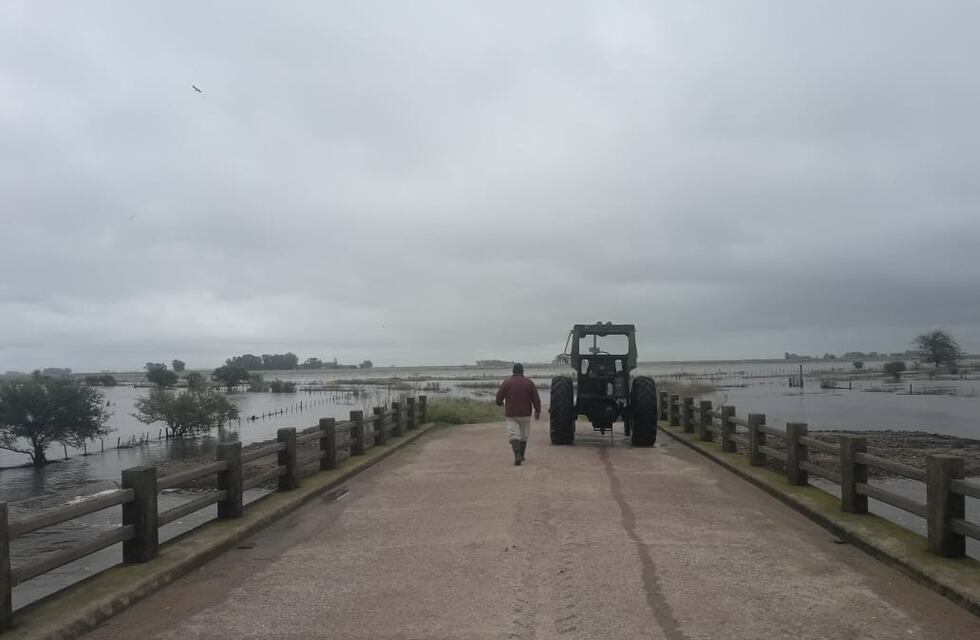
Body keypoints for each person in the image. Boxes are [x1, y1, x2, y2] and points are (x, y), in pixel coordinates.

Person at [495, 363, 541, 466]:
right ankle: (522, 455)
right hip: (525, 414)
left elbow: (499, 397)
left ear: (513, 371)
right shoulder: (529, 383)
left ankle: (517, 455)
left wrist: (499, 403)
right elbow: (536, 398)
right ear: (522, 371)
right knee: (524, 435)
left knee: (513, 434)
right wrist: (537, 411)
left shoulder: (507, 382)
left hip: (511, 414)